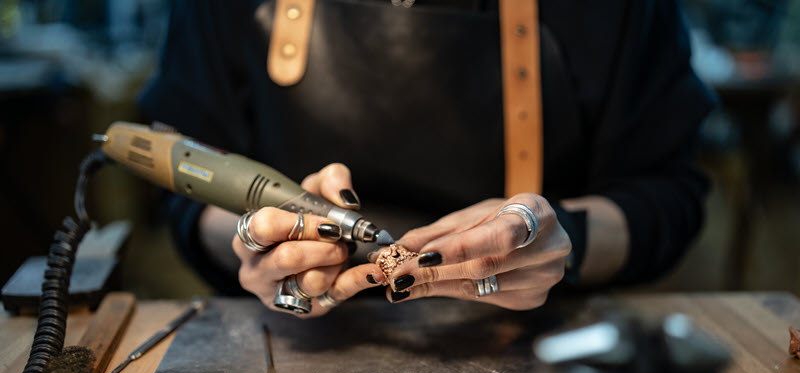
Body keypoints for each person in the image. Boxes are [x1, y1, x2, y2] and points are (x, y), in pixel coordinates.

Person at [139, 0, 715, 317]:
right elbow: (182, 186)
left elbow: (667, 197)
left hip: (536, 348)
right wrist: (254, 239)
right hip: (288, 341)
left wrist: (566, 238)